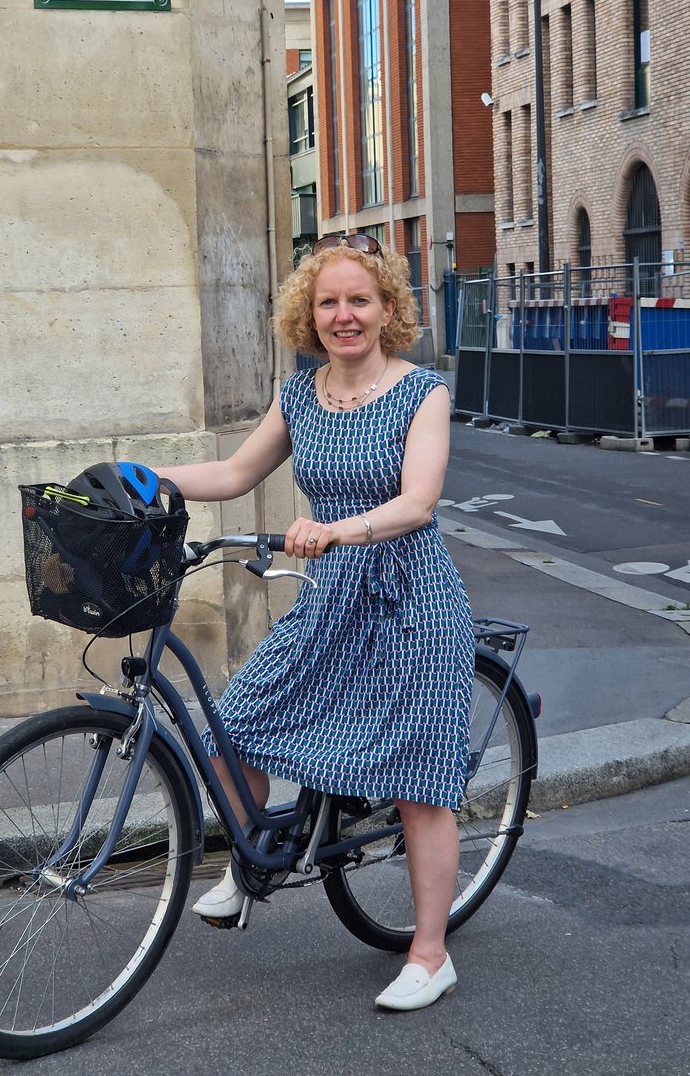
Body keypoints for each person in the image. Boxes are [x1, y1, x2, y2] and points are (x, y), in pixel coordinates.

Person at [156, 233, 474, 1012]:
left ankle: (430, 954)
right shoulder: (301, 395)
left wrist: (338, 529)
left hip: (412, 598)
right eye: (328, 302)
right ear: (310, 313)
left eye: (359, 300)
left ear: (388, 309)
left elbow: (418, 502)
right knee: (238, 726)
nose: (344, 316)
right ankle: (253, 862)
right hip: (331, 598)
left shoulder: (421, 391)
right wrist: (146, 474)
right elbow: (234, 473)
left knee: (417, 782)